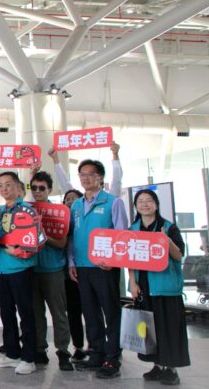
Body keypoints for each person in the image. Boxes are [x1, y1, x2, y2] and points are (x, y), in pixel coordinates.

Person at [67, 159, 129, 379]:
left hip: (105, 268)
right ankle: (96, 354)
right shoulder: (76, 205)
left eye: (90, 174)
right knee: (90, 313)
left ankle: (112, 358)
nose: (86, 178)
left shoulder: (113, 202)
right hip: (82, 267)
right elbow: (72, 237)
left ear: (100, 177)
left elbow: (123, 236)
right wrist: (71, 262)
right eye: (82, 174)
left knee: (111, 313)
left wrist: (115, 261)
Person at [128, 189, 190, 386]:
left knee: (169, 326)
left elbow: (179, 255)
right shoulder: (133, 229)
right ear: (136, 206)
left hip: (166, 286)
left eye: (149, 200)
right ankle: (157, 364)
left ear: (156, 204)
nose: (144, 204)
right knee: (150, 328)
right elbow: (129, 258)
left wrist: (167, 240)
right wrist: (132, 282)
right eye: (140, 201)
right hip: (144, 285)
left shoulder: (169, 227)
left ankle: (171, 369)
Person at [0, 171, 38, 375]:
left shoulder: (27, 209)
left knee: (25, 313)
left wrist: (18, 251)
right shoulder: (0, 211)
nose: (4, 189)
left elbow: (36, 239)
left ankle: (29, 357)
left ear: (19, 187)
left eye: (8, 184)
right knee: (6, 313)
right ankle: (12, 353)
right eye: (0, 185)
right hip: (2, 268)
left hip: (20, 269)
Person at [27, 171, 73, 371]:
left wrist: (42, 236)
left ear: (49, 190)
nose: (37, 191)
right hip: (30, 268)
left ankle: (63, 351)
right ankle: (40, 349)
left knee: (58, 312)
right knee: (36, 313)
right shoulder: (26, 211)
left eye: (41, 188)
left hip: (52, 269)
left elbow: (62, 243)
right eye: (34, 188)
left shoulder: (58, 213)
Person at [61, 187, 86, 360]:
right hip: (68, 273)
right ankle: (78, 346)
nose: (70, 201)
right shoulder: (61, 222)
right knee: (73, 310)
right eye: (67, 199)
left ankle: (96, 346)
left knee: (91, 310)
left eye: (74, 199)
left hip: (88, 269)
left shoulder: (85, 220)